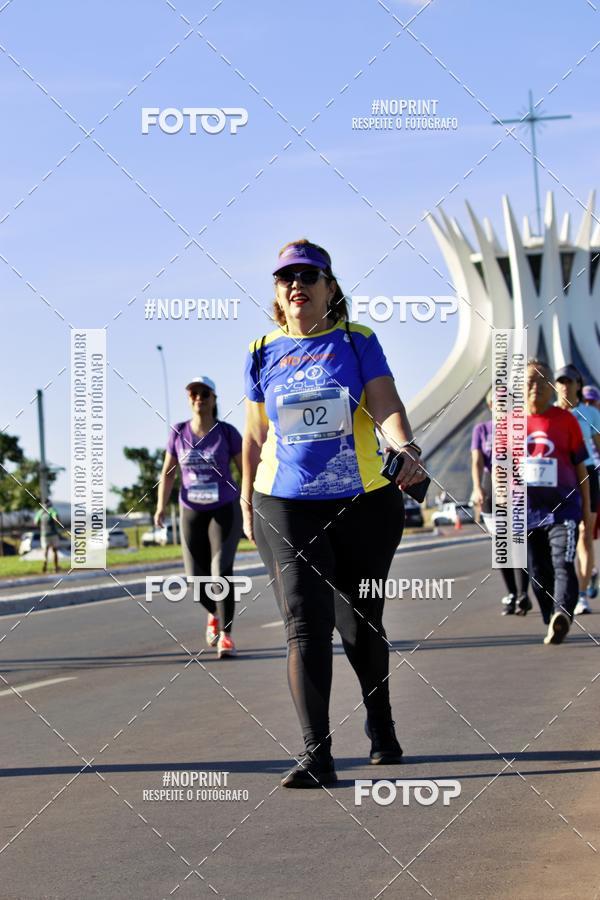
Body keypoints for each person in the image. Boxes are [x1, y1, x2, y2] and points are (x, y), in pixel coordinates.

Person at [242, 239, 426, 788]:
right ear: (277, 293)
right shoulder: (260, 350)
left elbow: (386, 404)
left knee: (359, 620)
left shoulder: (357, 340)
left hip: (364, 501)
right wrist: (248, 499)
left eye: (308, 276)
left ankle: (381, 726)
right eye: (286, 278)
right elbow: (256, 436)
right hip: (286, 501)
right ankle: (316, 754)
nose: (296, 284)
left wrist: (405, 448)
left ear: (329, 287)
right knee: (304, 620)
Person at [155, 376, 243, 659]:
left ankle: (226, 635)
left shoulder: (227, 433)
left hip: (224, 508)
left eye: (204, 393)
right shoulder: (179, 433)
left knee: (221, 571)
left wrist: (248, 502)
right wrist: (159, 507)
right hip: (191, 509)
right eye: (193, 393)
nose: (198, 398)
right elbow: (168, 474)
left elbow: (245, 471)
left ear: (214, 399)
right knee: (196, 582)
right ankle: (213, 616)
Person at [525, 360, 590, 645]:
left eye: (542, 381)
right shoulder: (510, 424)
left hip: (564, 508)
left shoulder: (567, 421)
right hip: (526, 513)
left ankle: (562, 613)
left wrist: (586, 510)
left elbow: (581, 468)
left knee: (562, 562)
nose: (536, 387)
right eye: (530, 381)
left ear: (551, 387)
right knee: (537, 572)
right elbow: (499, 471)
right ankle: (552, 617)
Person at [471, 389, 531, 615]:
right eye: (497, 402)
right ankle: (512, 592)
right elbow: (477, 461)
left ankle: (523, 594)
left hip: (516, 487)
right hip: (491, 488)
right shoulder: (482, 430)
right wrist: (477, 487)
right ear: (490, 405)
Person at [34, 501, 61, 573]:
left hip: (44, 534)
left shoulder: (40, 512)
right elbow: (56, 518)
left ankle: (45, 564)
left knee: (45, 550)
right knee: (54, 550)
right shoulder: (52, 510)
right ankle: (56, 567)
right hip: (53, 533)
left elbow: (36, 522)